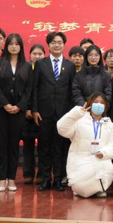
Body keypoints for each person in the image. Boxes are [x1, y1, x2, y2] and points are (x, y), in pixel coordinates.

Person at [31, 31, 75, 192]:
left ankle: (57, 179)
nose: (57, 45)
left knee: (60, 147)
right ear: (48, 45)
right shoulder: (40, 64)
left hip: (63, 114)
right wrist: (35, 110)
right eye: (53, 42)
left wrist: (71, 114)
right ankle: (45, 179)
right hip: (44, 113)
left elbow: (72, 91)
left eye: (60, 42)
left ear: (64, 45)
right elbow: (35, 88)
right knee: (44, 147)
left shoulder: (70, 65)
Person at [0, 33, 32, 192]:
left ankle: (12, 179)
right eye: (11, 44)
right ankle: (1, 179)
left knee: (13, 145)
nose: (14, 47)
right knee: (1, 144)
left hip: (18, 111)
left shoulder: (26, 66)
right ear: (6, 46)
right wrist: (5, 104)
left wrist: (20, 106)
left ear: (21, 47)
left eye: (17, 44)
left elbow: (29, 89)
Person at [57, 92, 113, 198]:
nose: (98, 105)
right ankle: (80, 189)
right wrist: (76, 113)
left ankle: (98, 189)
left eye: (102, 103)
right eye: (96, 102)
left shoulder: (110, 125)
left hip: (100, 159)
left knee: (106, 169)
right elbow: (61, 128)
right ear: (90, 103)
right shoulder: (79, 120)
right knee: (81, 182)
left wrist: (104, 153)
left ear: (105, 106)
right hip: (80, 160)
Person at [22, 44, 44, 185]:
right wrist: (27, 109)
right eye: (34, 53)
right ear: (29, 55)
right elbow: (24, 90)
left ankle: (42, 173)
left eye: (40, 54)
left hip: (42, 112)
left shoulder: (46, 68)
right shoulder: (25, 68)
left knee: (43, 145)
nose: (37, 56)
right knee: (27, 145)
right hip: (27, 113)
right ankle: (28, 174)